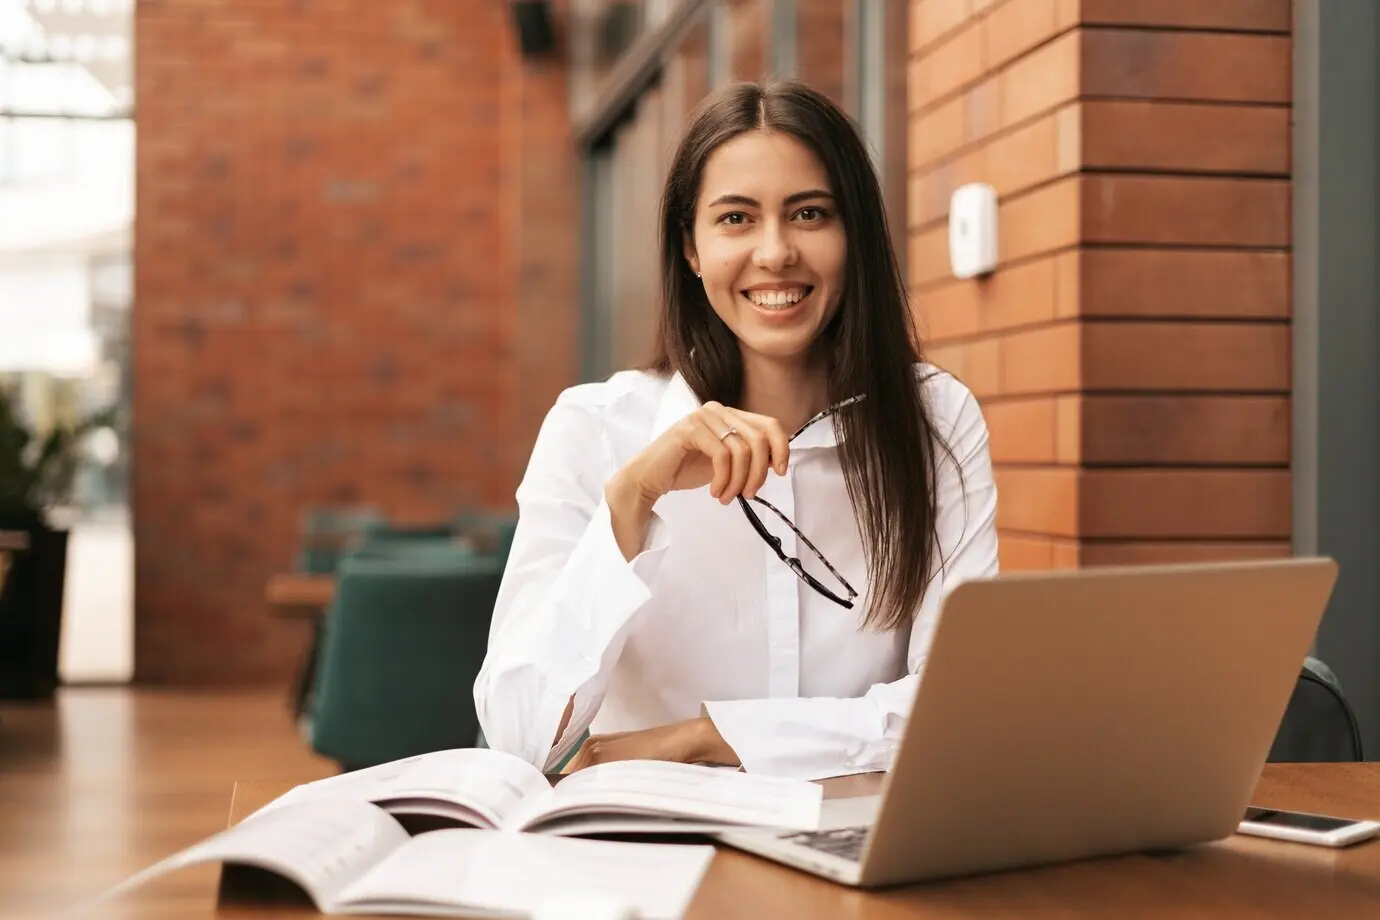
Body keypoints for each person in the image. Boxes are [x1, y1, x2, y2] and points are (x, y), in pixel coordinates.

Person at [474, 80, 998, 781]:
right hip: (652, 836)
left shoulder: (936, 418)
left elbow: (955, 705)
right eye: (736, 219)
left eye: (809, 214)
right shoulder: (593, 429)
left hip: (856, 829)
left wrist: (705, 738)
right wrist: (629, 503)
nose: (775, 252)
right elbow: (520, 740)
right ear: (690, 249)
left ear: (854, 237)